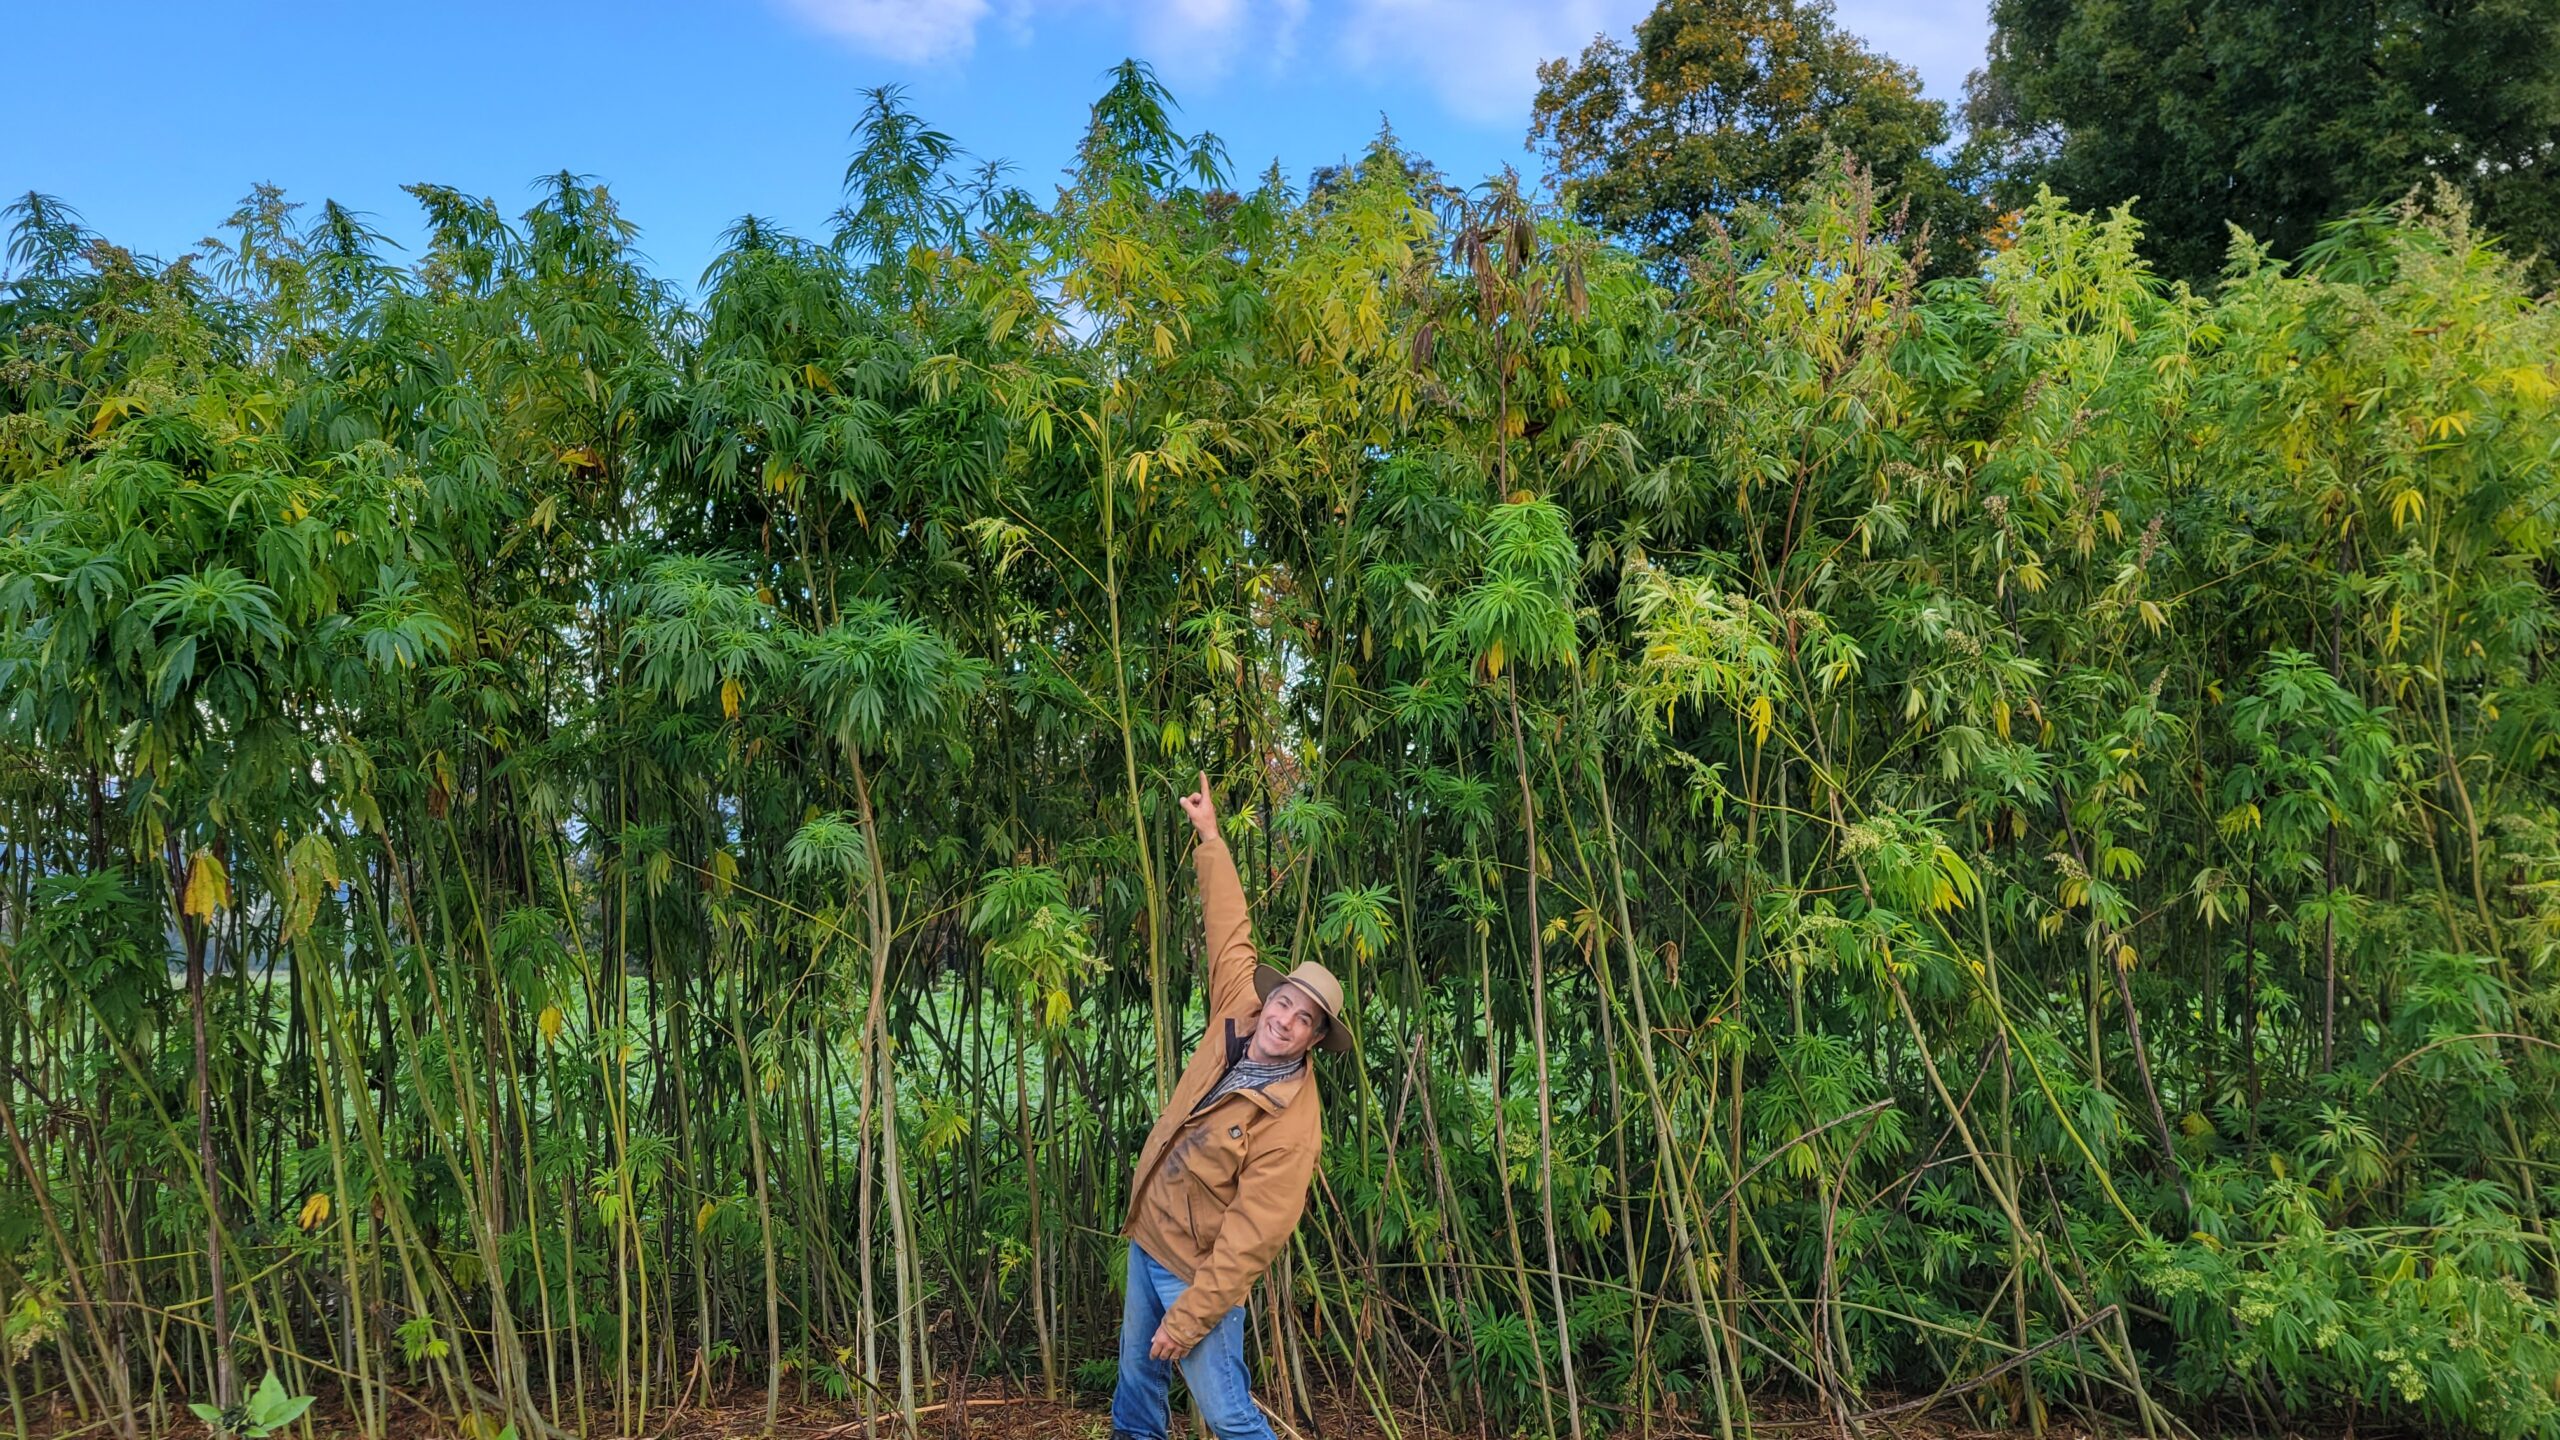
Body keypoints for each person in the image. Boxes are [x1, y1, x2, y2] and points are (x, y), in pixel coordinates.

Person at [1111, 771, 1353, 1440]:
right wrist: (1211, 838)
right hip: (1148, 1235)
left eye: (1304, 1019)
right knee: (1136, 1387)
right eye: (1284, 1002)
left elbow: (1253, 1239)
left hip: (1198, 1274)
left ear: (1313, 1037)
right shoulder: (1237, 1013)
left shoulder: (1293, 1120)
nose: (1284, 1019)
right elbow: (1230, 933)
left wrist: (1188, 1316)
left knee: (1225, 1412)